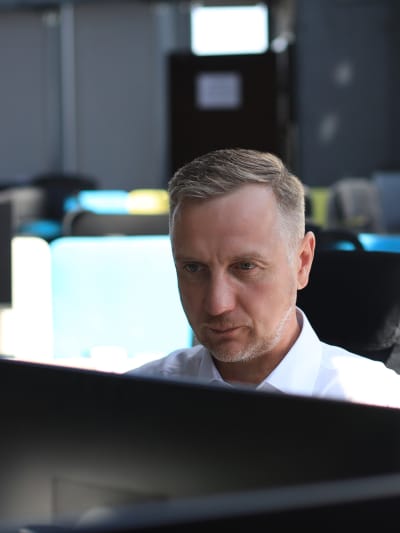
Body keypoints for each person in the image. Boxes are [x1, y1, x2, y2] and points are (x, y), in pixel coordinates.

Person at [129, 148, 400, 408]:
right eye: (193, 268)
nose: (217, 304)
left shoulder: (378, 400)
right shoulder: (134, 401)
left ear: (302, 263)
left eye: (245, 266)